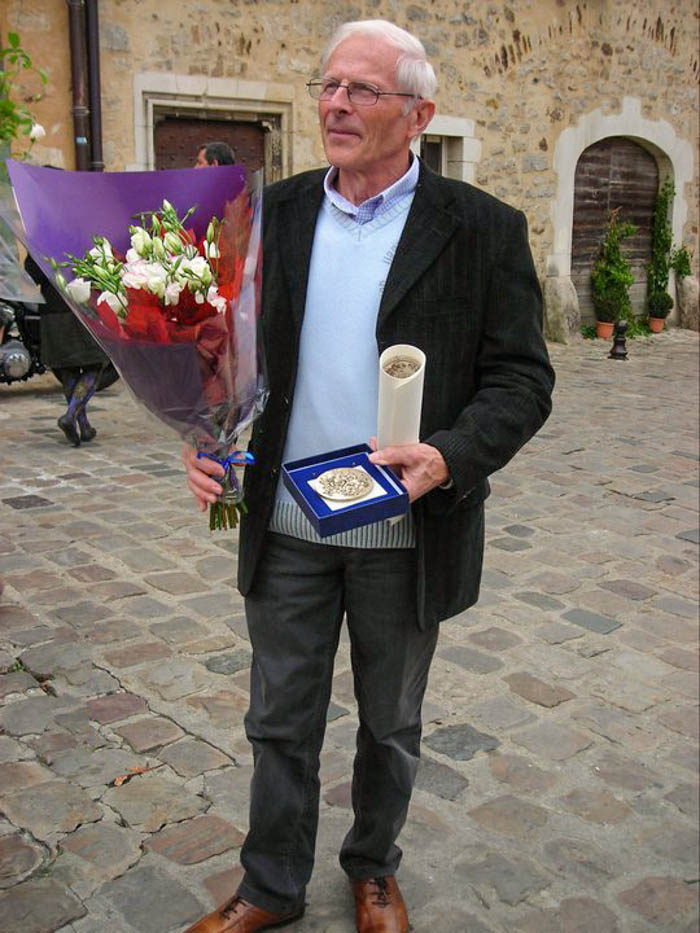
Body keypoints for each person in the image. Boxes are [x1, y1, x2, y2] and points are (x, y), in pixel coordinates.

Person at [183, 18, 554, 933]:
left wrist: (450, 456)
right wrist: (208, 436)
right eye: (328, 86)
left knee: (390, 724)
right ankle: (270, 883)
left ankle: (373, 869)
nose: (336, 104)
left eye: (362, 90)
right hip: (288, 520)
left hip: (404, 524)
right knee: (279, 719)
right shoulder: (275, 209)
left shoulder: (482, 229)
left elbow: (523, 378)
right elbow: (224, 348)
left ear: (418, 113)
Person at [24, 254, 110, 446]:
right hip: (82, 305)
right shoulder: (79, 230)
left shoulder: (38, 235)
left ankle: (85, 427)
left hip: (52, 309)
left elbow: (31, 275)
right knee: (95, 364)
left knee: (67, 368)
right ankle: (70, 416)